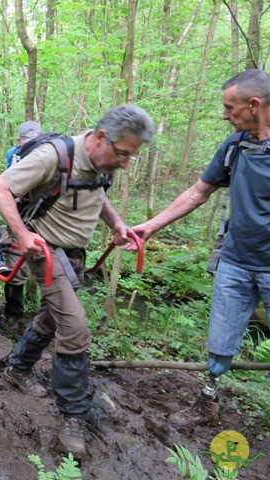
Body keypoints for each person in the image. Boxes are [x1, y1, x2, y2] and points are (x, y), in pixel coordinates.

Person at [0, 104, 155, 458]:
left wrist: (116, 223)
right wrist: (20, 234)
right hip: (45, 252)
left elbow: (98, 194)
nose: (125, 164)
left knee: (53, 317)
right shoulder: (55, 156)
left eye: (131, 157)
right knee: (75, 327)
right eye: (123, 154)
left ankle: (17, 368)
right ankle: (73, 415)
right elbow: (0, 186)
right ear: (99, 138)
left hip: (75, 253)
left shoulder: (101, 162)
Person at [131, 69, 270, 428]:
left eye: (230, 108)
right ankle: (208, 399)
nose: (225, 115)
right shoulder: (235, 145)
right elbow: (197, 192)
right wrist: (150, 226)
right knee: (220, 339)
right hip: (236, 262)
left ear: (254, 105)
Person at [4, 121, 43, 321]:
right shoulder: (13, 154)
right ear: (20, 140)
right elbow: (6, 184)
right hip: (18, 211)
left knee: (43, 257)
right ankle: (13, 311)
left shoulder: (49, 156)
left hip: (42, 213)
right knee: (15, 257)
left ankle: (45, 312)